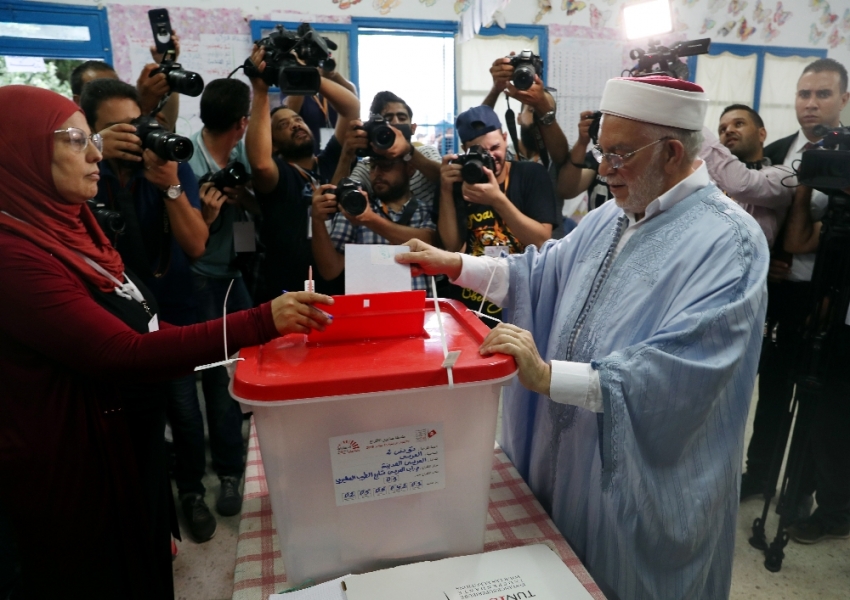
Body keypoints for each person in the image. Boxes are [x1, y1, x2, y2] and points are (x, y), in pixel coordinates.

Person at [397, 76, 768, 599]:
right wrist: (454, 263)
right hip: (567, 446)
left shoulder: (730, 241)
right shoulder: (612, 215)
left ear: (672, 151)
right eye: (602, 151)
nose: (604, 169)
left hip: (639, 475)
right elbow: (540, 273)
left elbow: (686, 367)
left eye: (620, 154)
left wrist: (548, 377)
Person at [0, 85, 332, 599]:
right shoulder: (15, 258)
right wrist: (256, 323)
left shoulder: (72, 227)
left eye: (93, 140)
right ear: (17, 151)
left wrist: (244, 332)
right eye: (75, 140)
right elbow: (120, 352)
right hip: (76, 470)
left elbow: (147, 326)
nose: (95, 153)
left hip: (130, 446)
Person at [80, 78, 221, 542]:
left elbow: (197, 243)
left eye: (134, 124)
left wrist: (170, 186)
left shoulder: (164, 168)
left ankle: (191, 493)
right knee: (129, 423)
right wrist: (95, 153)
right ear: (89, 132)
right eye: (113, 128)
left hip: (172, 311)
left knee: (183, 411)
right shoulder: (82, 174)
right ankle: (141, 506)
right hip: (108, 322)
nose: (131, 136)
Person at [741, 58, 849, 501]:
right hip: (780, 291)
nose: (811, 104)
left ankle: (801, 489)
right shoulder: (780, 151)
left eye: (823, 95)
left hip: (831, 298)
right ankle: (759, 475)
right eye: (804, 94)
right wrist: (768, 262)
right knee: (772, 391)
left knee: (818, 402)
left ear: (844, 100)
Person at [186, 78, 258, 520]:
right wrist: (207, 211)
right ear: (242, 122)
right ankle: (227, 472)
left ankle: (242, 461)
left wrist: (242, 196)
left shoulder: (246, 155)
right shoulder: (187, 158)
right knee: (214, 377)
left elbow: (254, 210)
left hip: (238, 271)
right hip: (199, 277)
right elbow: (182, 234)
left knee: (250, 365)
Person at [245, 43, 360, 302]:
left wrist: (310, 75)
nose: (296, 125)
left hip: (335, 287)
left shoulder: (328, 160)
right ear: (272, 142)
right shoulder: (278, 175)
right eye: (284, 125)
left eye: (298, 120)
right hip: (287, 292)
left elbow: (351, 108)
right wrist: (260, 90)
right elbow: (260, 163)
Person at [438, 105, 559, 324]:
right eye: (480, 151)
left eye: (495, 147)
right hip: (472, 304)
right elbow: (453, 247)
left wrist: (497, 200)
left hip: (523, 303)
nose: (490, 157)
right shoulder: (463, 180)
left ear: (505, 138)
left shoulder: (531, 175)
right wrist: (446, 189)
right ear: (465, 149)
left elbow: (543, 240)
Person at [782, 184, 850, 544]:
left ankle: (835, 513)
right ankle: (802, 496)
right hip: (838, 331)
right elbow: (798, 243)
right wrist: (804, 188)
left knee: (836, 427)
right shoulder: (842, 217)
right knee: (819, 416)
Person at [311, 155, 436, 291]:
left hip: (418, 308)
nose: (377, 173)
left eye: (385, 165)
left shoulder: (424, 210)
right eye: (372, 166)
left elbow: (431, 244)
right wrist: (317, 220)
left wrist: (370, 219)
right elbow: (330, 271)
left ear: (410, 169)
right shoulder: (355, 207)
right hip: (368, 309)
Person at [484, 55, 571, 237]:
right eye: (531, 110)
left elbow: (562, 154)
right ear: (518, 117)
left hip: (550, 249)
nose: (540, 117)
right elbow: (478, 130)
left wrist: (540, 105)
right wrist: (496, 89)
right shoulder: (501, 154)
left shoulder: (555, 154)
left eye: (546, 113)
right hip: (503, 243)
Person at [70, 31, 183, 133]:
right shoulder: (70, 139)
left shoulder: (140, 120)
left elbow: (168, 120)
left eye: (113, 84)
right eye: (96, 90)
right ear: (77, 100)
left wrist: (167, 65)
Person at [715, 103, 793, 248]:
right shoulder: (711, 180)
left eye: (738, 124)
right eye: (722, 129)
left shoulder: (782, 175)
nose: (728, 131)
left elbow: (742, 185)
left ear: (761, 134)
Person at [349, 91, 441, 206]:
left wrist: (409, 152)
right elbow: (341, 195)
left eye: (402, 118)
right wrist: (346, 153)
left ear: (413, 128)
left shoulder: (426, 153)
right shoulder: (369, 165)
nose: (395, 123)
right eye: (387, 119)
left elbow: (446, 179)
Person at [283, 64, 357, 154]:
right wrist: (305, 72)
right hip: (308, 154)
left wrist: (333, 75)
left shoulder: (332, 90)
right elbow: (290, 112)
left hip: (336, 153)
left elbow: (353, 97)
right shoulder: (298, 91)